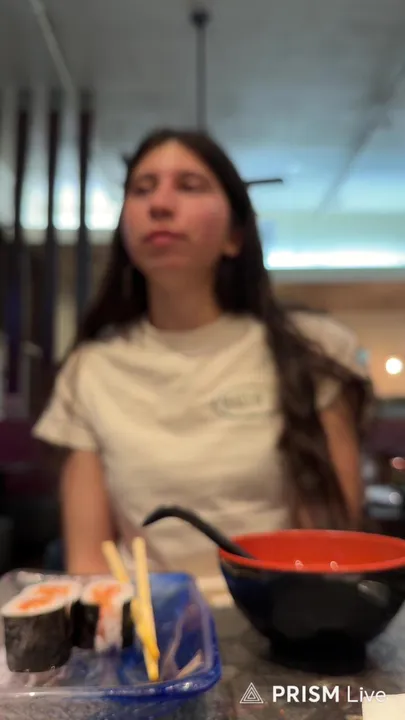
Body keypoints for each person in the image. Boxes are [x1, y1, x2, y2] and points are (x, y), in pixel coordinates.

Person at [33, 128, 374, 603]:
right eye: (142, 189)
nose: (160, 204)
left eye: (189, 186)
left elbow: (328, 550)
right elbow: (89, 565)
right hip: (146, 627)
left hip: (277, 619)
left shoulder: (312, 350)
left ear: (235, 236)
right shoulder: (89, 369)